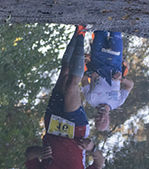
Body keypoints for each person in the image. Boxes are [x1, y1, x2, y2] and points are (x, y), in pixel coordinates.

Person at [24, 25, 106, 168]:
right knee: (71, 87)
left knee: (65, 72)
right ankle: (82, 32)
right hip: (76, 131)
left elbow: (29, 154)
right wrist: (92, 148)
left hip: (52, 124)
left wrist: (41, 151)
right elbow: (99, 163)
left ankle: (77, 31)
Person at [82, 30, 134, 132]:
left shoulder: (90, 99)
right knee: (116, 29)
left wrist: (90, 75)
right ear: (109, 119)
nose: (101, 118)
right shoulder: (118, 102)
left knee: (101, 27)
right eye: (104, 121)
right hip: (115, 59)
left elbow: (83, 78)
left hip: (98, 57)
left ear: (94, 118)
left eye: (98, 120)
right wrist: (121, 79)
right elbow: (130, 85)